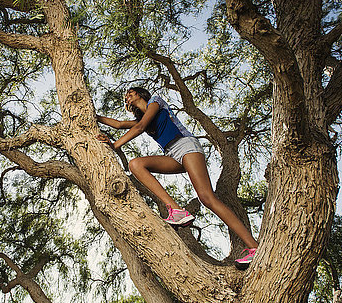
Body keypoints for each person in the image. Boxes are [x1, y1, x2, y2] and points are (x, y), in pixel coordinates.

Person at [96, 87, 258, 268]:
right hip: (171, 154)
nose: (127, 96)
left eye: (130, 92)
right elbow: (118, 124)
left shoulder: (155, 102)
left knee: (207, 198)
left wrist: (115, 145)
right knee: (136, 164)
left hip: (185, 145)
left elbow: (141, 128)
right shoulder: (140, 119)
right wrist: (94, 116)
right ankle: (176, 210)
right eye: (125, 96)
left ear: (140, 94)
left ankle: (254, 247)